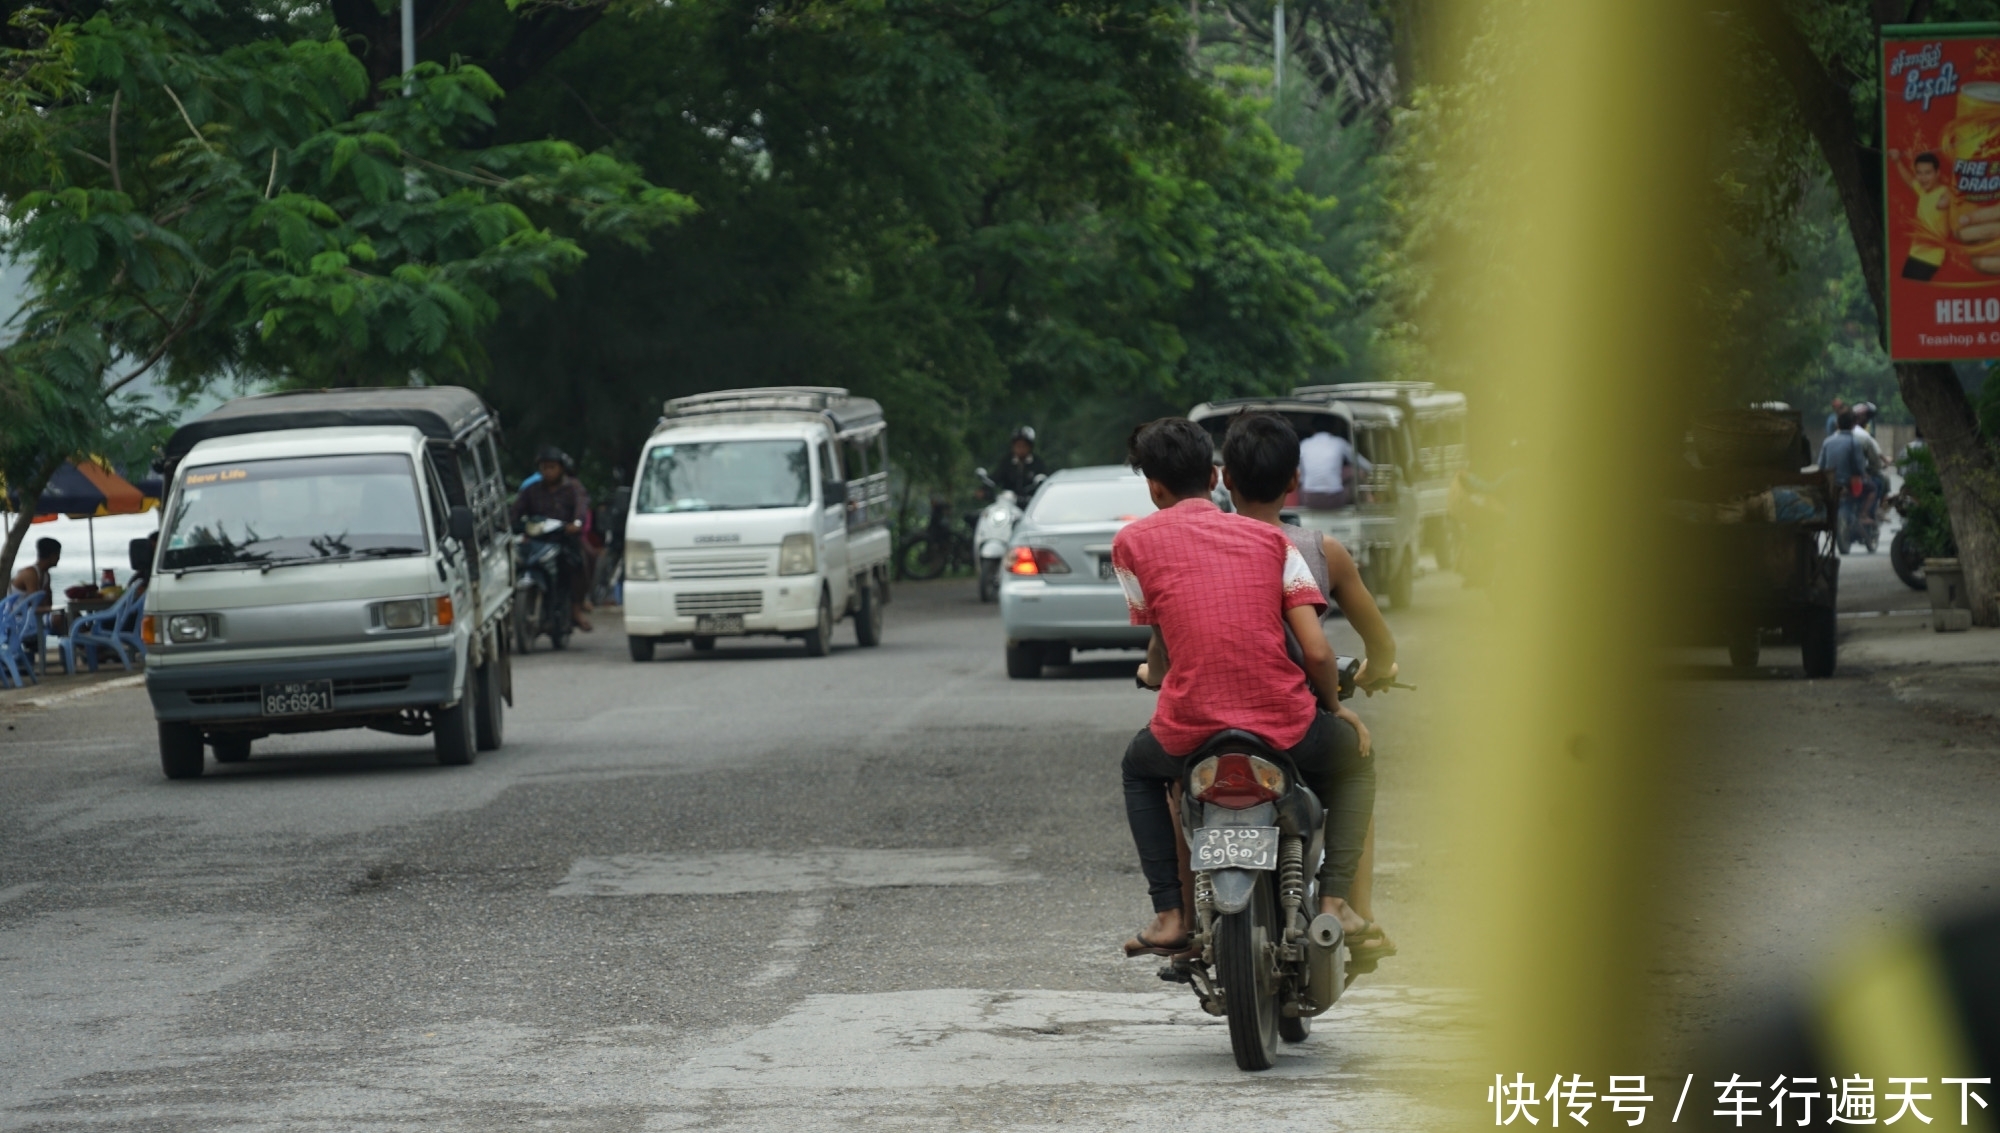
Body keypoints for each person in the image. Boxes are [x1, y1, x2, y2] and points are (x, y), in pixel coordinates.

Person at [1113, 418, 1377, 958]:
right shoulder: (1272, 541)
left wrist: (1157, 675)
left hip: (1189, 731)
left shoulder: (1131, 543)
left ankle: (1169, 915)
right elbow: (1319, 653)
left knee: (1138, 769)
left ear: (1155, 488)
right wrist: (1335, 709)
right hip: (1284, 724)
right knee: (1354, 764)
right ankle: (1336, 905)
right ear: (1213, 476)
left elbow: (1162, 642)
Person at [1220, 412, 1401, 972]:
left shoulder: (1202, 550)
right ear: (1294, 481)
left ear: (1225, 478)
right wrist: (1376, 670)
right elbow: (1376, 642)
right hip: (1292, 720)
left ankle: (1178, 908)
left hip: (1212, 719)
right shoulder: (1321, 552)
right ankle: (1347, 908)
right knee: (1354, 765)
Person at [511, 446, 594, 632]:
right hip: (536, 540)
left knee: (583, 558)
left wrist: (576, 524)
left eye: (552, 467)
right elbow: (515, 511)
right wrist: (510, 524)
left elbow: (581, 507)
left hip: (564, 539)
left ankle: (576, 607)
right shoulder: (531, 490)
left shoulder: (573, 488)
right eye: (544, 467)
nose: (547, 472)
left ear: (561, 468)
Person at [1889, 150, 1951, 280]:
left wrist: (1945, 202)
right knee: (1905, 293)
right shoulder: (1922, 191)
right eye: (1919, 173)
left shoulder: (1945, 192)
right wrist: (1897, 161)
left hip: (1931, 258)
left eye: (1928, 173)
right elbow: (1910, 180)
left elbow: (1951, 199)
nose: (1923, 178)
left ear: (1937, 173)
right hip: (1915, 254)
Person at [1298, 426, 1371, 510]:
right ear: (1333, 431)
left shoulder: (1304, 444)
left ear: (1312, 430)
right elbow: (1360, 462)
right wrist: (1372, 468)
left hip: (1310, 501)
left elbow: (1299, 476)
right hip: (1335, 500)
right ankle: (1368, 502)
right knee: (1359, 472)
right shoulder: (1339, 442)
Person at [992, 426, 1050, 498]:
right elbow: (995, 477)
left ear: (1030, 447)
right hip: (1009, 503)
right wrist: (985, 489)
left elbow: (1043, 480)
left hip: (1030, 502)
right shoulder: (1006, 462)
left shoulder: (1037, 463)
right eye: (1018, 446)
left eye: (1024, 446)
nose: (1020, 449)